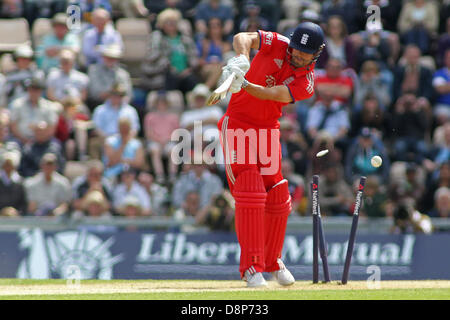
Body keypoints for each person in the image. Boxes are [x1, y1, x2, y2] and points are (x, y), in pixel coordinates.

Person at [216, 22, 325, 287]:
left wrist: (245, 82)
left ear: (317, 53)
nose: (297, 55)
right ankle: (251, 267)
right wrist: (242, 59)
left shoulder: (307, 82)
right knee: (250, 188)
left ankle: (273, 260)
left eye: (304, 53)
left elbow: (272, 94)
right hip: (238, 123)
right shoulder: (277, 43)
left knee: (277, 192)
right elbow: (243, 37)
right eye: (297, 49)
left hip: (267, 128)